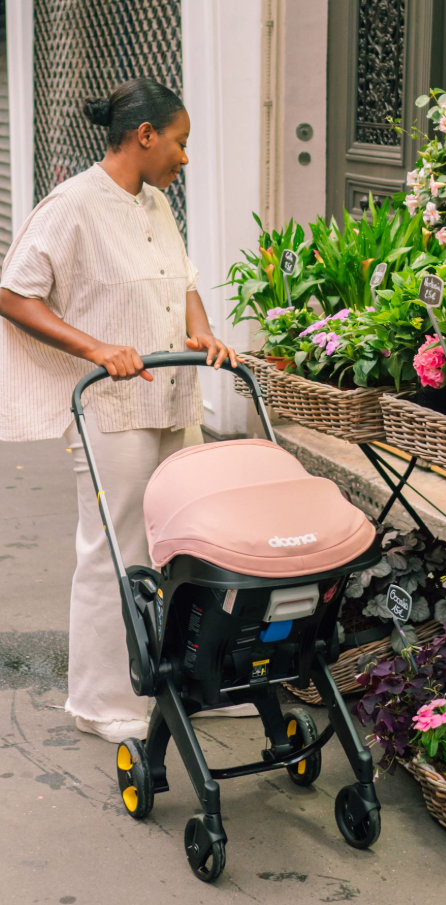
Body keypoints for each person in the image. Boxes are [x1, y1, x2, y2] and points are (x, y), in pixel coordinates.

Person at [0, 78, 246, 743]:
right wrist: (96, 347)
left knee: (190, 545)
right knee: (117, 552)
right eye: (181, 141)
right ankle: (106, 702)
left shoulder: (158, 203)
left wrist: (201, 330)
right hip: (114, 409)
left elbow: (184, 280)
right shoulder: (73, 204)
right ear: (145, 136)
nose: (184, 156)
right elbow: (15, 292)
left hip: (173, 395)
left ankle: (195, 681)